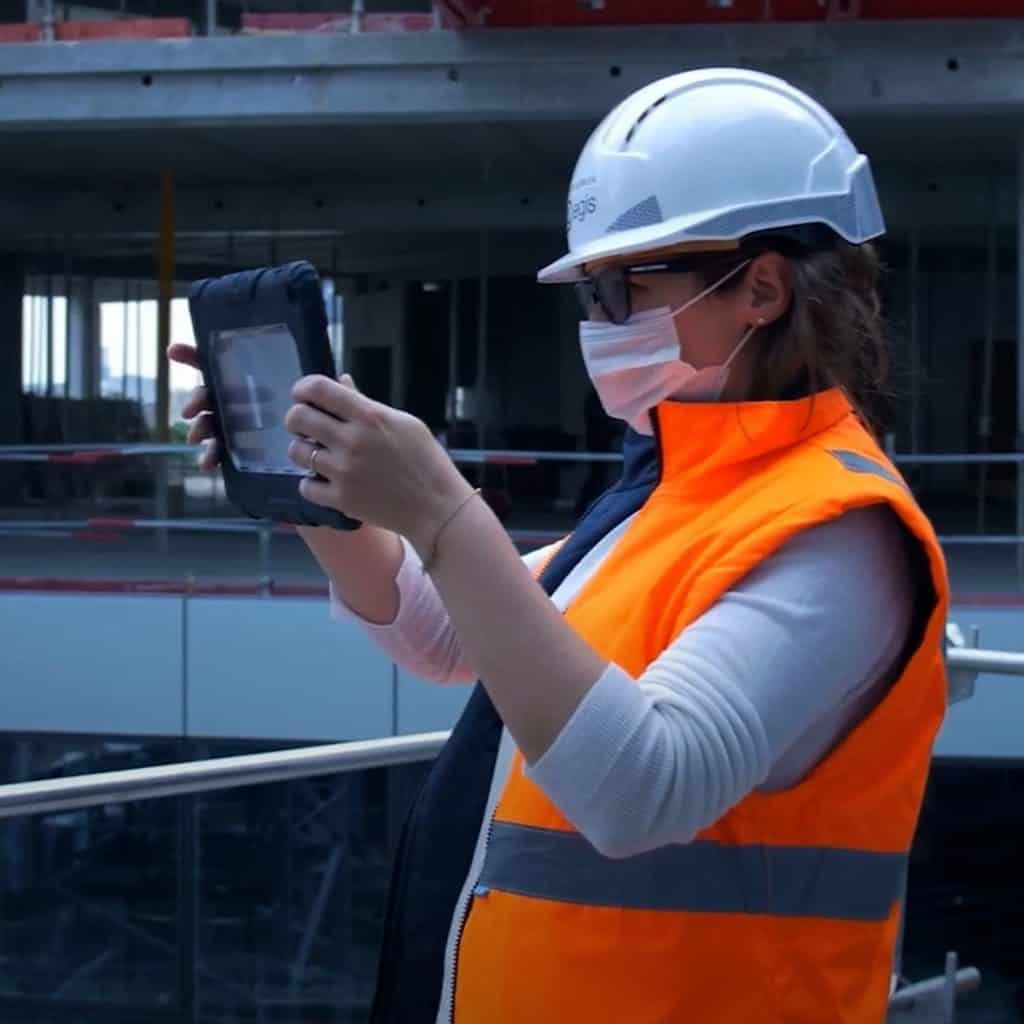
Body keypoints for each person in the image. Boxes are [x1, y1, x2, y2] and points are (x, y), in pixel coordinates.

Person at [171, 68, 949, 1023]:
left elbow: (643, 788)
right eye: (590, 292)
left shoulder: (841, 533)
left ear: (762, 287)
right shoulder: (672, 488)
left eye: (626, 286)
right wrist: (320, 492)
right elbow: (446, 635)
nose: (600, 322)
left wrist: (446, 515)